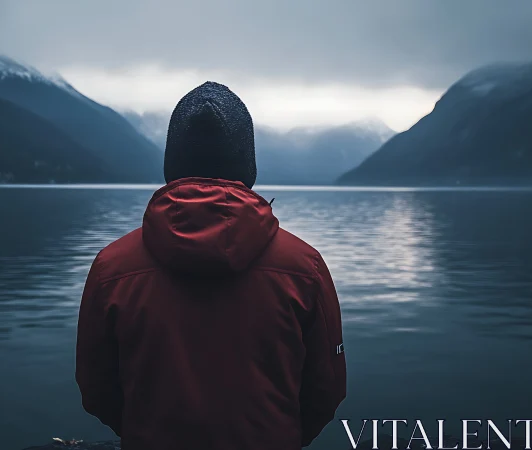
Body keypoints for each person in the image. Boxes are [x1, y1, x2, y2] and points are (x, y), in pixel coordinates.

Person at [76, 81, 346, 450]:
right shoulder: (304, 268)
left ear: (173, 164)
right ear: (246, 164)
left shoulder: (113, 269)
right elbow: (325, 390)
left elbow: (96, 388)